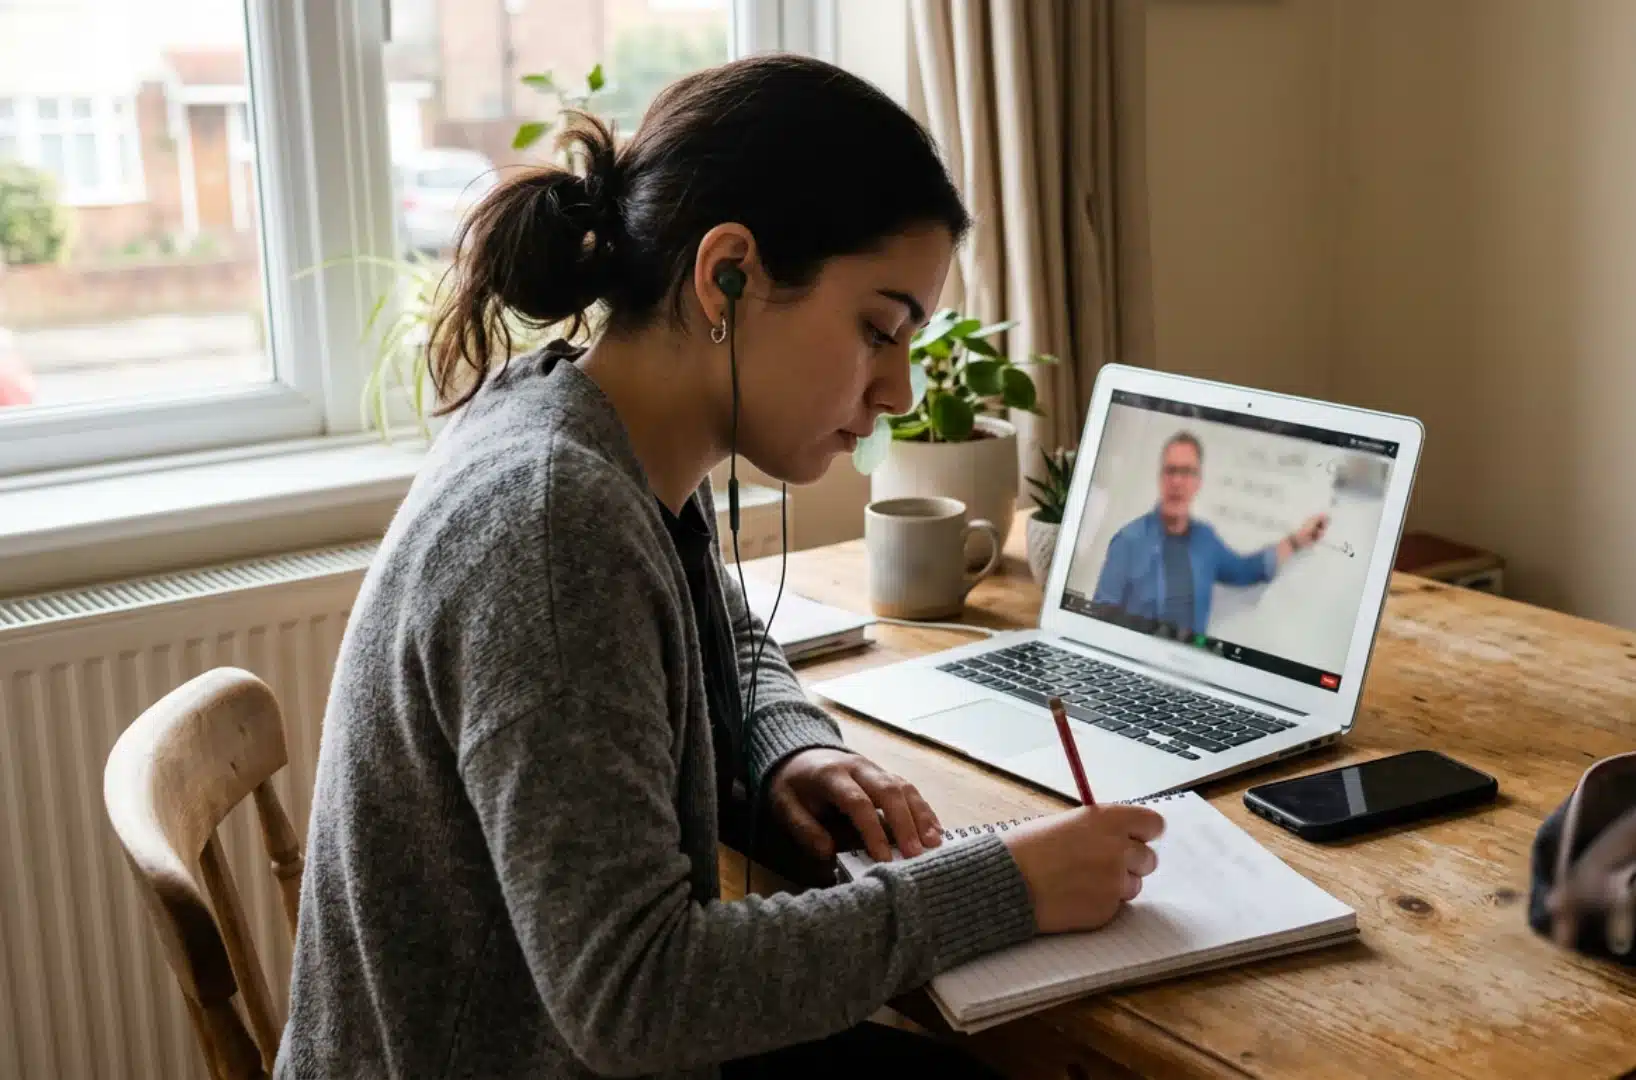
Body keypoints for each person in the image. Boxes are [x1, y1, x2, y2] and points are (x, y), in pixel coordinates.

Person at [278, 55, 1165, 1080]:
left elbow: (720, 626)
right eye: (878, 329)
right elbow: (637, 999)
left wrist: (788, 746)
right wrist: (1003, 886)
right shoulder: (554, 523)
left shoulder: (585, 424)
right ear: (726, 274)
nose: (898, 391)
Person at [1092, 432, 1329, 637]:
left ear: (1198, 482)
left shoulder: (1205, 539)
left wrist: (1296, 541)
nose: (1177, 481)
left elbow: (1246, 569)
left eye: (1187, 472)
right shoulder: (1128, 541)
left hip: (1190, 670)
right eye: (1171, 471)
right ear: (1160, 478)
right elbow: (1100, 617)